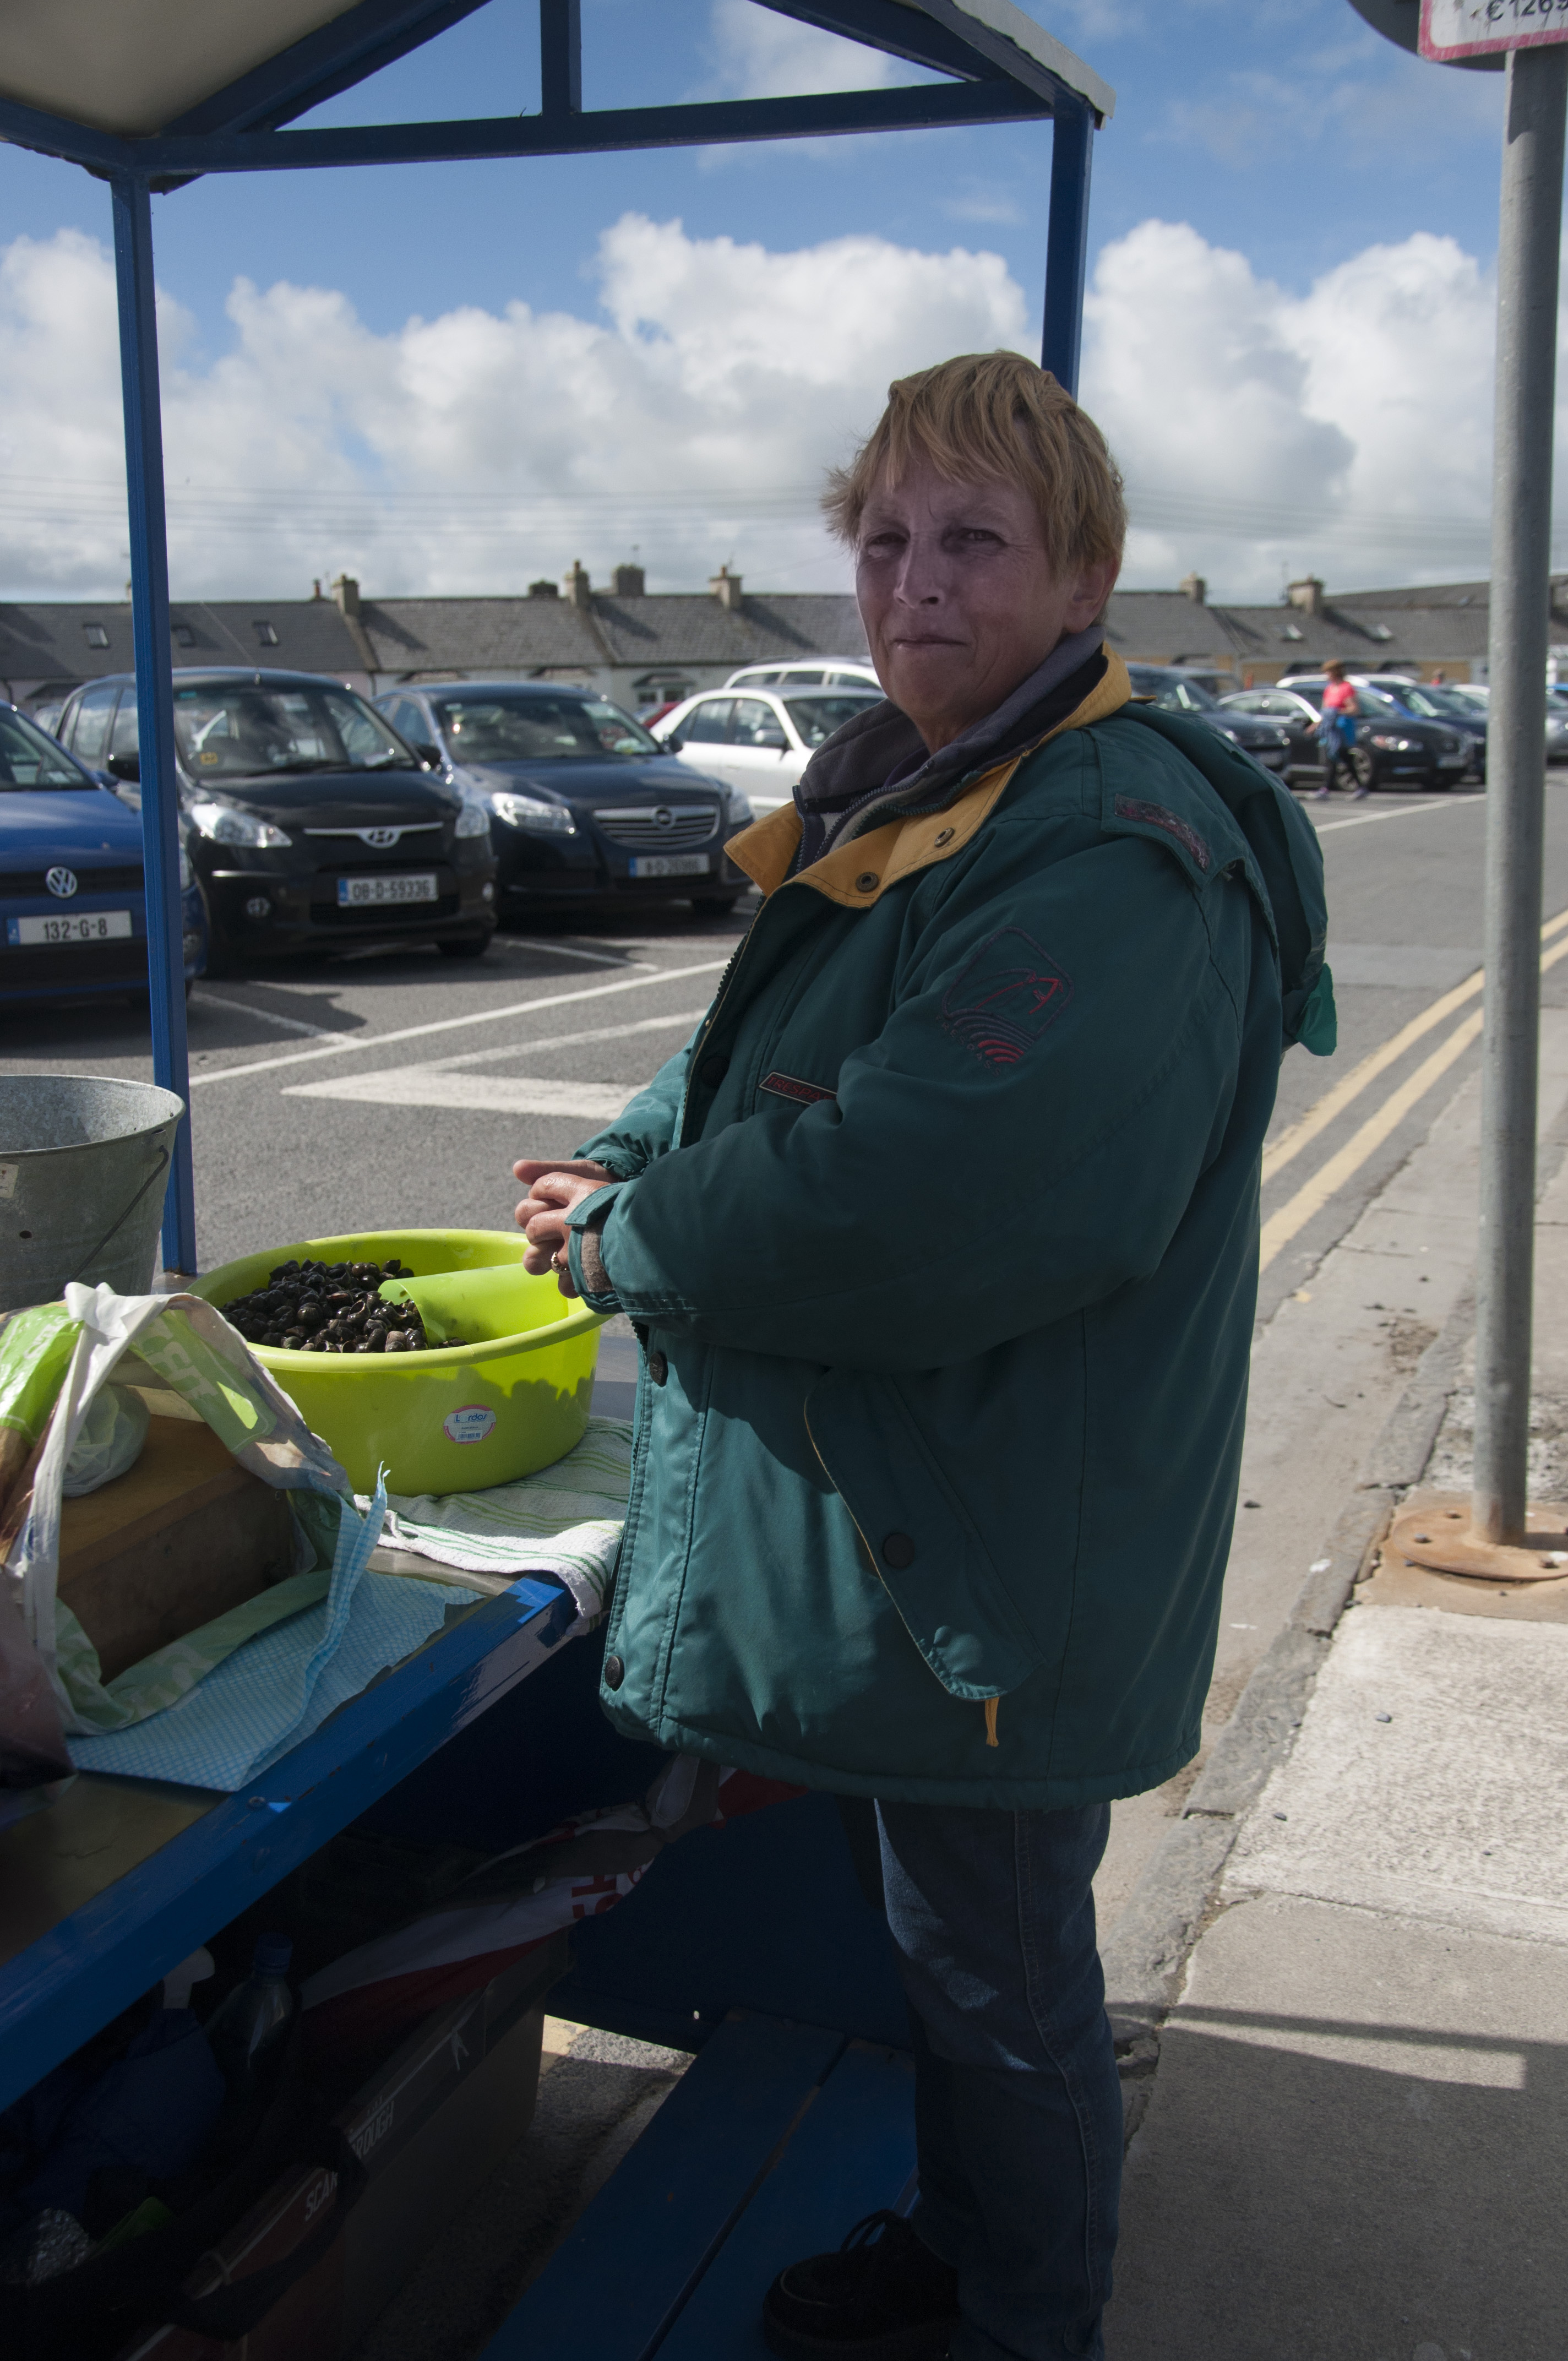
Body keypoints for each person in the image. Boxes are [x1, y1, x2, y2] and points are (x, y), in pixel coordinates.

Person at [514, 352, 1330, 2361]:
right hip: (943, 1520)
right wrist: (634, 1145)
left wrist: (627, 1237)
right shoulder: (943, 777)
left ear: (1084, 579)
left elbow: (915, 1189)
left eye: (970, 538)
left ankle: (1022, 2313)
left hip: (994, 1543)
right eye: (882, 539)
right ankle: (965, 2250)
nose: (913, 581)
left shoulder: (1109, 841)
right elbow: (768, 1053)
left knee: (997, 1971)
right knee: (950, 1944)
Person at [1315, 659, 1362, 799]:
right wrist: (1315, 726)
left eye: (1328, 672)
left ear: (1336, 672)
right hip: (1330, 730)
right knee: (1335, 756)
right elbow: (1325, 711)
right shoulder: (1329, 689)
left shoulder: (1346, 688)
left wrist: (1337, 712)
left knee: (1339, 754)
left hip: (1341, 729)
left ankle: (1327, 789)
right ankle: (1328, 788)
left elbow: (1354, 709)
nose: (1327, 675)